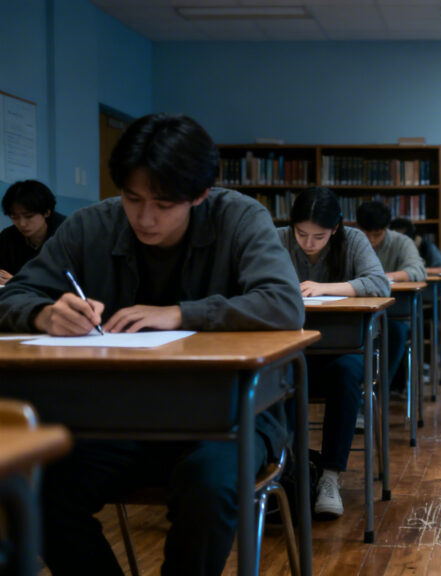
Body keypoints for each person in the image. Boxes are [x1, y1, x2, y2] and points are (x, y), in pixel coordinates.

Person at [0, 113, 305, 575]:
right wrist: (43, 313)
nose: (145, 218)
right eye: (132, 198)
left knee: (210, 483)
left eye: (164, 203)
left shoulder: (240, 217)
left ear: (200, 195)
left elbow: (284, 303)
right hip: (119, 415)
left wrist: (180, 313)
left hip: (227, 416)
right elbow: (14, 294)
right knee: (35, 484)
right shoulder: (90, 225)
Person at [278, 187, 389, 519]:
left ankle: (330, 475)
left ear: (335, 228)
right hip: (292, 347)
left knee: (347, 372)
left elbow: (380, 283)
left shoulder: (353, 240)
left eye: (319, 236)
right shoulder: (278, 239)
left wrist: (325, 288)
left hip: (342, 350)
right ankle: (290, 469)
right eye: (301, 234)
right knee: (275, 371)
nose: (308, 243)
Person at [356, 200, 425, 388]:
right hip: (357, 312)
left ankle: (379, 390)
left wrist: (384, 278)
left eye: (377, 235)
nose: (371, 240)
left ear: (386, 228)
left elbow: (418, 270)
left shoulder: (401, 242)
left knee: (395, 332)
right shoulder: (352, 241)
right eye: (366, 234)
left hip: (392, 314)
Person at [0, 179, 66, 284]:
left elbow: (66, 280)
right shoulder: (8, 236)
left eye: (29, 216)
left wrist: (17, 282)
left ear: (47, 212)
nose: (22, 223)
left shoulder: (65, 235)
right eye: (14, 217)